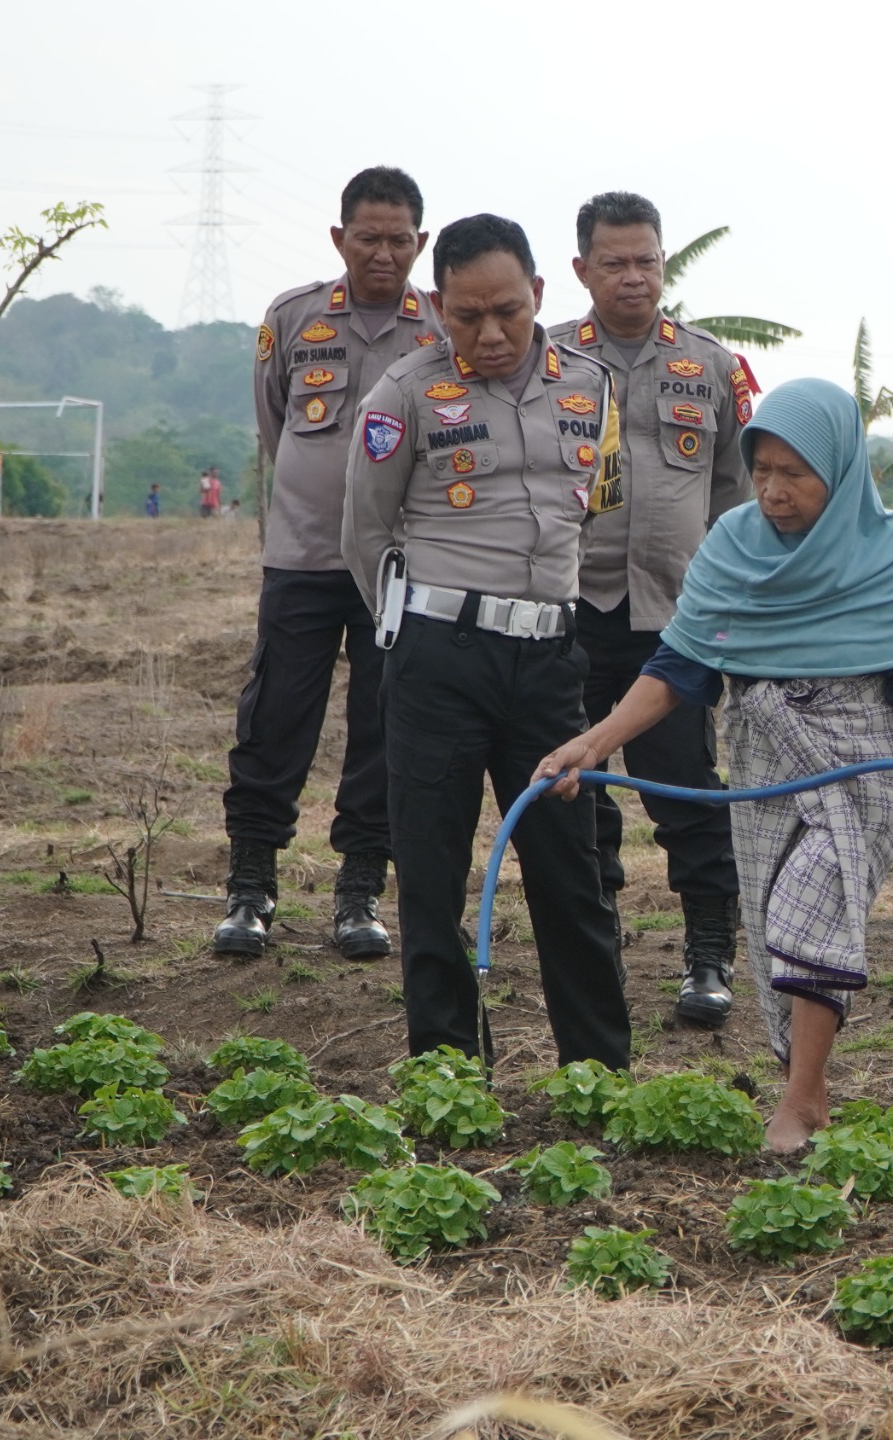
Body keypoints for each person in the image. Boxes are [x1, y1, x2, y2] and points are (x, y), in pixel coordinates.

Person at [537, 379, 893, 1150]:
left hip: (862, 761)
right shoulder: (731, 545)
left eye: (794, 472)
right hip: (765, 758)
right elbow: (679, 672)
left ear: (838, 466)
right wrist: (592, 744)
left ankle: (798, 1102)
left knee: (812, 901)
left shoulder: (886, 549)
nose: (773, 490)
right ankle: (812, 1086)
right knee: (770, 926)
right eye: (761, 469)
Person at [343, 212, 628, 1069]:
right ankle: (446, 1072)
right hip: (439, 658)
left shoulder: (592, 385)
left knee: (569, 871)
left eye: (507, 310)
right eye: (466, 317)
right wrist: (418, 631)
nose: (490, 334)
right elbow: (364, 534)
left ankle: (600, 1072)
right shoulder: (402, 392)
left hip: (548, 662)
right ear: (437, 306)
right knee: (430, 871)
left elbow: (595, 515)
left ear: (539, 294)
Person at [217, 166, 443, 961]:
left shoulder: (442, 329)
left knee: (385, 728)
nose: (383, 254)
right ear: (339, 237)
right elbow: (276, 430)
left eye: (400, 240)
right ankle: (251, 888)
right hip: (304, 560)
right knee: (275, 719)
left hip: (400, 568)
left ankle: (358, 894)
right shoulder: (293, 318)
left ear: (421, 241)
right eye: (368, 238)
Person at [546, 191, 750, 1028]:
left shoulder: (710, 367)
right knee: (578, 787)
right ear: (582, 270)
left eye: (648, 262)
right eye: (615, 263)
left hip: (676, 618)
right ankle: (599, 942)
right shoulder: (546, 359)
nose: (634, 278)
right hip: (571, 608)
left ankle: (709, 955)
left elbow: (736, 497)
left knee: (686, 790)